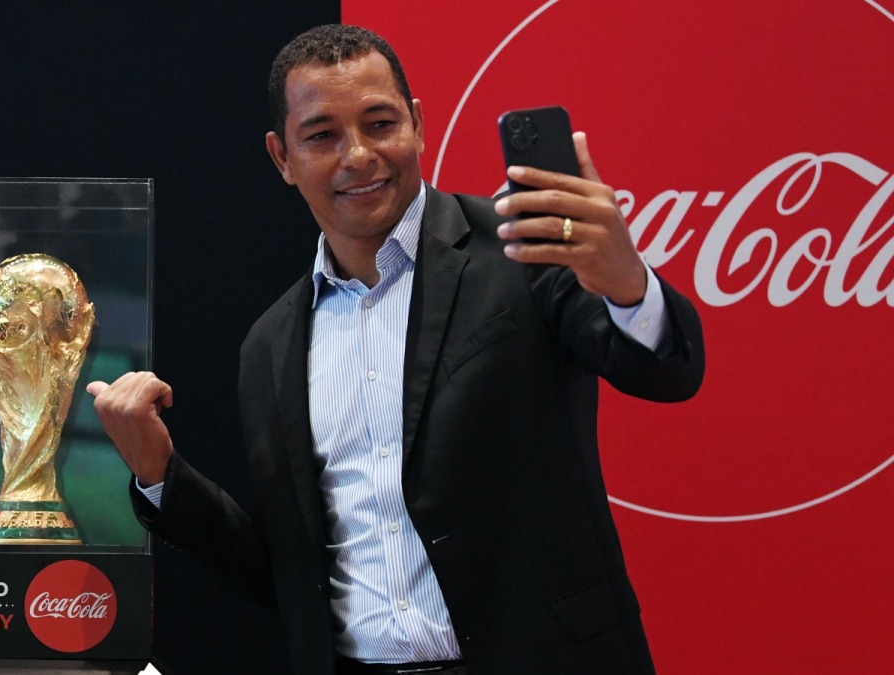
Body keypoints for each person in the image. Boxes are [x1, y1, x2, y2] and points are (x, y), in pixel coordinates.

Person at [88, 24, 704, 675]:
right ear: (282, 157)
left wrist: (627, 283)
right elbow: (287, 574)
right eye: (322, 135)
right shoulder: (268, 346)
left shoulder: (524, 249)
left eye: (380, 123)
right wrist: (160, 475)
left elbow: (665, 369)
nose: (358, 154)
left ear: (416, 124)